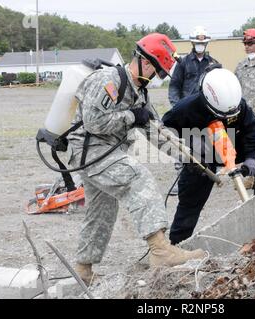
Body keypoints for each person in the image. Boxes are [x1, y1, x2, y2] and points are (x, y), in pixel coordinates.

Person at [67, 33, 205, 285]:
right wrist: (131, 116)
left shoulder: (138, 92)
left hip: (105, 152)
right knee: (138, 178)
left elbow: (156, 130)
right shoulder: (107, 80)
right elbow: (94, 122)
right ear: (147, 63)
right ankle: (160, 249)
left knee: (101, 212)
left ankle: (83, 271)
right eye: (158, 71)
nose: (157, 78)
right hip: (91, 151)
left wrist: (188, 156)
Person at [162, 67, 255, 245]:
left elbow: (251, 130)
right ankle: (178, 243)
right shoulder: (185, 108)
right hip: (202, 155)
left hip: (229, 144)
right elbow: (165, 132)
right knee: (192, 199)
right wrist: (188, 152)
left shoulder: (238, 105)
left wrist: (252, 156)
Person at [168, 26, 219, 196]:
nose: (200, 45)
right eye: (197, 42)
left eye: (203, 42)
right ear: (192, 42)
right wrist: (177, 106)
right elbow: (174, 85)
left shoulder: (214, 64)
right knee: (183, 145)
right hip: (186, 111)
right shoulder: (182, 63)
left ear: (207, 43)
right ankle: (180, 180)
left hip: (205, 111)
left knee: (207, 143)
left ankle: (208, 175)